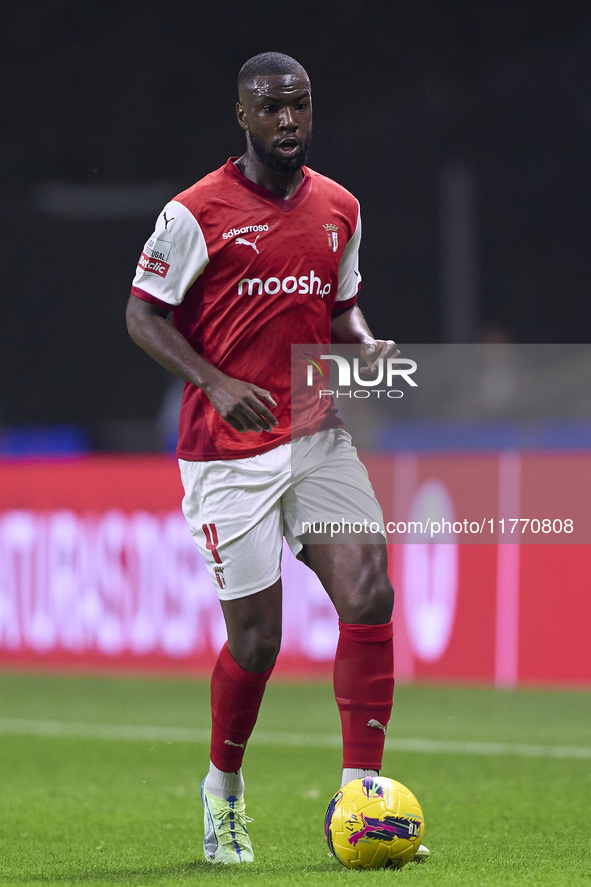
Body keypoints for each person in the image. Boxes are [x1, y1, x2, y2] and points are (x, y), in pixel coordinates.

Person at [126, 51, 428, 866]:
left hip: (314, 432)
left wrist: (366, 346)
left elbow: (342, 306)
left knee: (369, 588)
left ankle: (361, 795)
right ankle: (222, 788)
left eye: (297, 106)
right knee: (257, 642)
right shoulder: (195, 213)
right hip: (225, 453)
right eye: (270, 109)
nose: (287, 121)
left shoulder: (339, 206)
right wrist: (214, 381)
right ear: (243, 116)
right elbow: (142, 315)